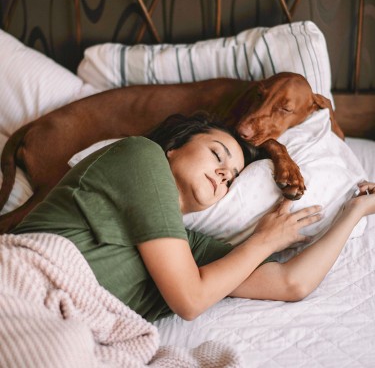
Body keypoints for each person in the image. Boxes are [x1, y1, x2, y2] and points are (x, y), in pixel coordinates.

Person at [11, 113, 375, 322]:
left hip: (66, 324)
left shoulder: (188, 252)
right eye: (217, 155)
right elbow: (189, 299)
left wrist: (355, 211)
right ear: (173, 148)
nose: (223, 175)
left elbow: (290, 283)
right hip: (19, 280)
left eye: (231, 178)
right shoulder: (140, 156)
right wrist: (264, 241)